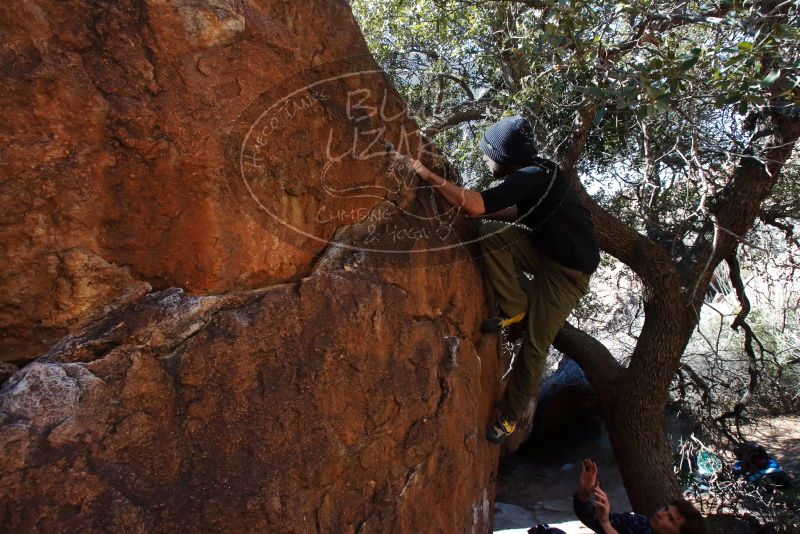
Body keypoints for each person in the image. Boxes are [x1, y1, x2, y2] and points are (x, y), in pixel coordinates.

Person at [407, 115, 600, 443]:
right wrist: (469, 209)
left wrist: (427, 175)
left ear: (504, 158)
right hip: (547, 251)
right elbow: (507, 213)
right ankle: (515, 307)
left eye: (488, 154)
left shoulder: (530, 177)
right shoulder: (539, 172)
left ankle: (509, 418)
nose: (485, 160)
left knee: (536, 345)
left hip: (568, 274)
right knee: (491, 233)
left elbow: (477, 205)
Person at [574, 459, 706, 534]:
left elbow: (604, 525)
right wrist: (584, 494)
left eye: (670, 519)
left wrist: (606, 525)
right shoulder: (639, 523)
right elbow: (592, 520)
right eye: (666, 509)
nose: (661, 514)